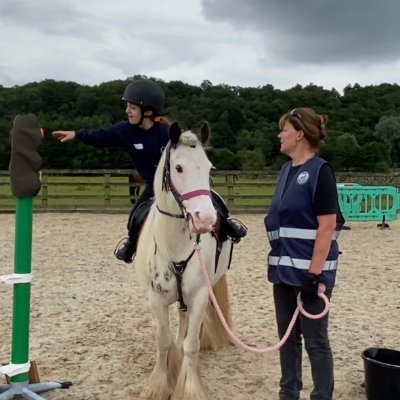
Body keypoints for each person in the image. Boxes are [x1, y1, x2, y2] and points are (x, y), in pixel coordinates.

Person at [52, 79, 247, 264]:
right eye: (128, 106)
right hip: (153, 186)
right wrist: (76, 134)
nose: (127, 111)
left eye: (132, 107)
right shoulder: (125, 131)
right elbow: (100, 136)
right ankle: (131, 243)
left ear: (147, 111)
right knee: (136, 215)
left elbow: (186, 156)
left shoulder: (167, 133)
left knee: (212, 200)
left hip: (175, 184)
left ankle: (228, 225)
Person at [264, 107, 344, 400]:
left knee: (315, 340)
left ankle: (321, 396)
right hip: (283, 272)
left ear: (299, 133)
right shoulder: (286, 171)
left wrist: (314, 274)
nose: (279, 134)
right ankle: (289, 394)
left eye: (283, 129)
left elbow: (327, 226)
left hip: (311, 274)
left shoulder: (320, 171)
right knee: (287, 340)